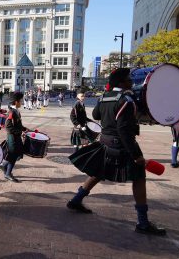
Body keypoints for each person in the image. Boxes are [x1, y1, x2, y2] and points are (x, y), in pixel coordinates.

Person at [66, 68, 166, 236]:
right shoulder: (126, 100)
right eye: (128, 79)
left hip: (104, 142)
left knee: (97, 172)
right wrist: (137, 156)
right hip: (121, 145)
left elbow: (96, 113)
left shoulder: (105, 97)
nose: (131, 82)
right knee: (139, 178)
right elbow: (124, 131)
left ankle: (76, 200)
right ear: (121, 83)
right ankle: (143, 223)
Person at [1, 92, 28, 182]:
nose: (22, 102)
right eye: (20, 101)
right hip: (12, 137)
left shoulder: (16, 111)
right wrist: (20, 132)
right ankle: (7, 173)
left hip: (16, 136)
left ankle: (4, 168)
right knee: (13, 155)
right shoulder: (11, 112)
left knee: (15, 155)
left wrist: (25, 129)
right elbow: (8, 127)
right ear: (16, 102)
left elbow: (17, 125)